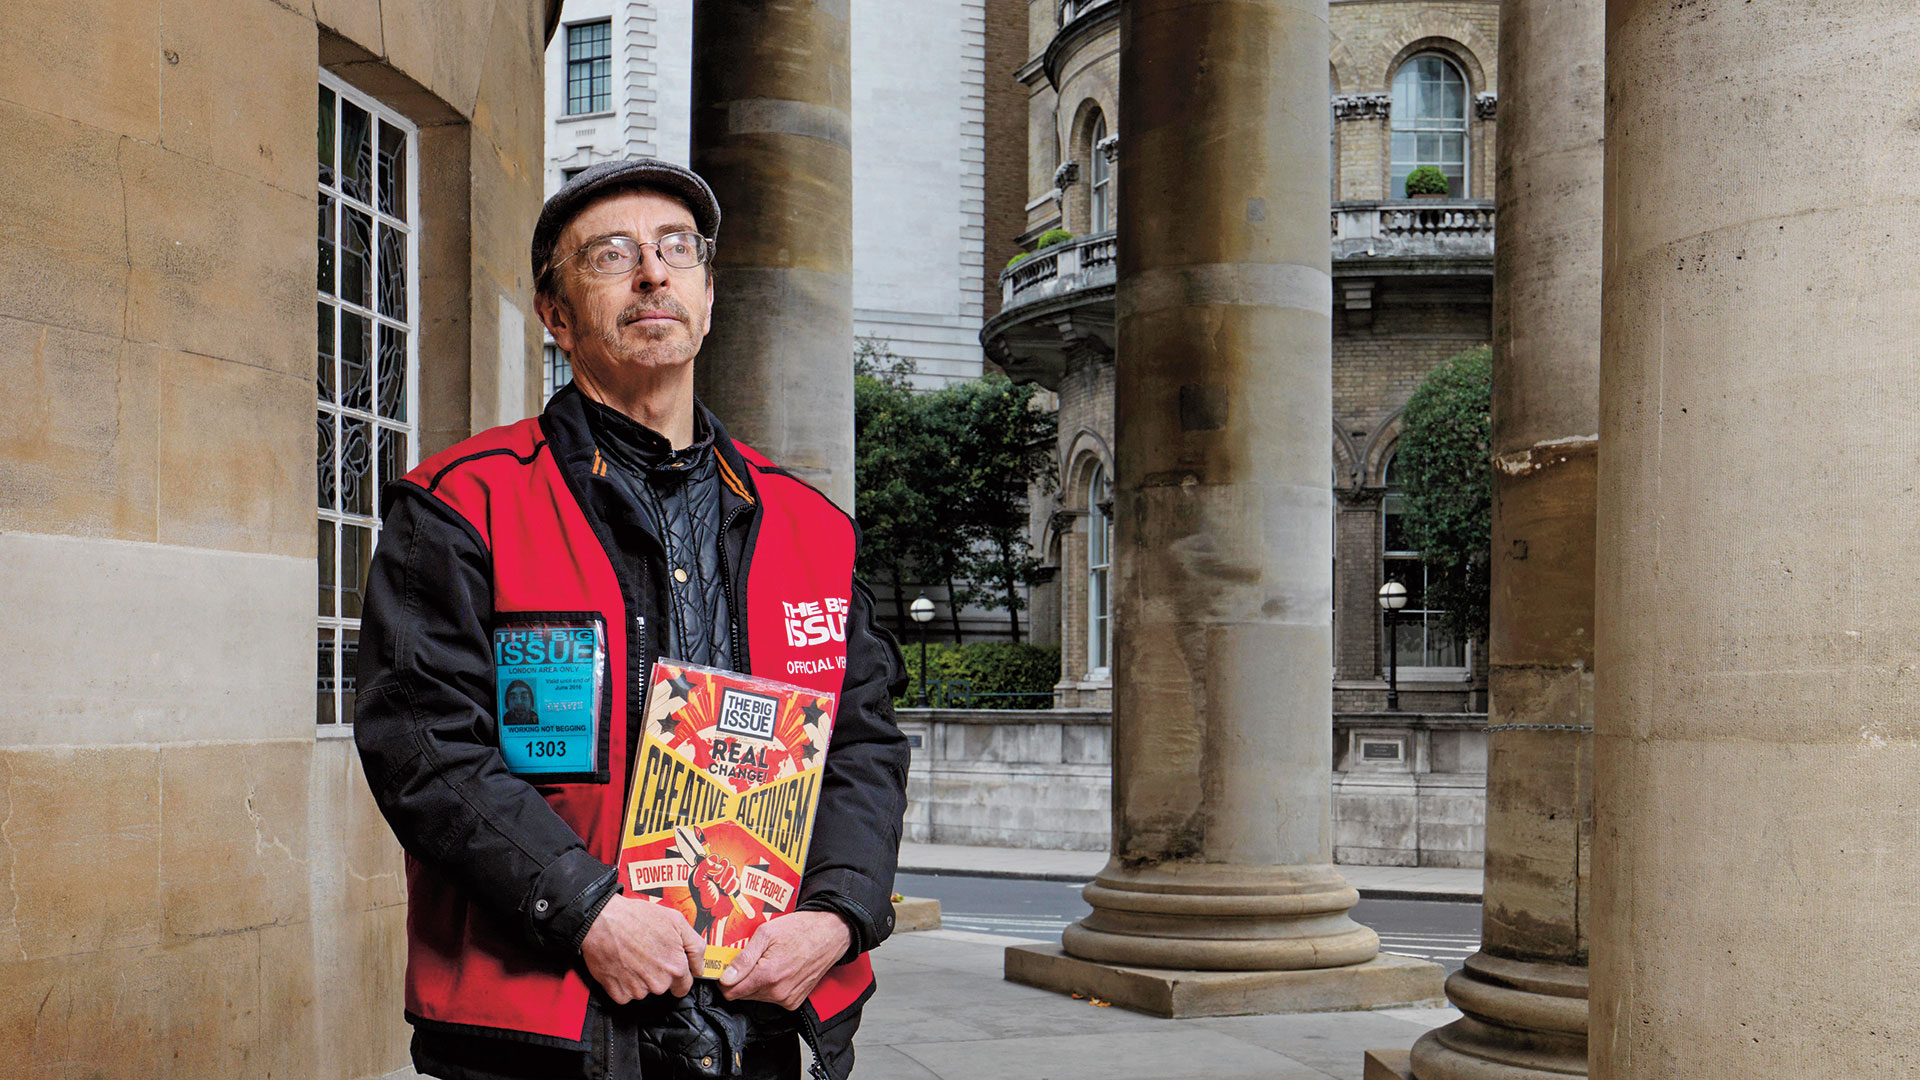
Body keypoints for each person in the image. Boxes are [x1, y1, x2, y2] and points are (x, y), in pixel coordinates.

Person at [354, 159, 910, 1080]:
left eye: (676, 249)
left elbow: (862, 743)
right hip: (551, 1022)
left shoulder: (813, 529)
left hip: (769, 1022)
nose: (653, 273)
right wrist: (587, 912)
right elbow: (423, 743)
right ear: (557, 313)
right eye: (611, 255)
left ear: (708, 292)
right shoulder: (462, 506)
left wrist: (839, 916)